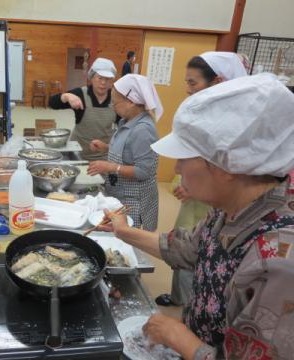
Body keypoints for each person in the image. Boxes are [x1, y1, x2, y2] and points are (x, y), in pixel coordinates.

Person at [101, 73, 294, 359]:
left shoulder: (279, 262)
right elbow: (189, 248)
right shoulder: (228, 209)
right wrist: (122, 230)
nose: (177, 169)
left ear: (228, 165)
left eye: (184, 158)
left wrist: (180, 338)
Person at [157, 51, 248, 307]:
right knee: (188, 247)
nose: (187, 89)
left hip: (211, 211)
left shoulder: (234, 128)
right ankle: (183, 301)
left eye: (192, 82)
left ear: (217, 82)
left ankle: (188, 305)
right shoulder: (202, 115)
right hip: (199, 211)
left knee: (202, 264)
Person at [87, 74, 162, 231]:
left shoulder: (143, 129)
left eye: (115, 102)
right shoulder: (127, 121)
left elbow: (143, 171)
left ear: (131, 101)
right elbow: (128, 152)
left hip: (133, 200)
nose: (113, 106)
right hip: (119, 193)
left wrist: (109, 167)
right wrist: (106, 147)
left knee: (128, 237)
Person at [49, 57, 117, 160]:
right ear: (92, 77)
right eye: (100, 78)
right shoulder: (81, 94)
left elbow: (125, 127)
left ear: (112, 81)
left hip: (103, 156)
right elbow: (52, 103)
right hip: (77, 153)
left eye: (107, 79)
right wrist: (66, 96)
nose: (103, 83)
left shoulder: (116, 98)